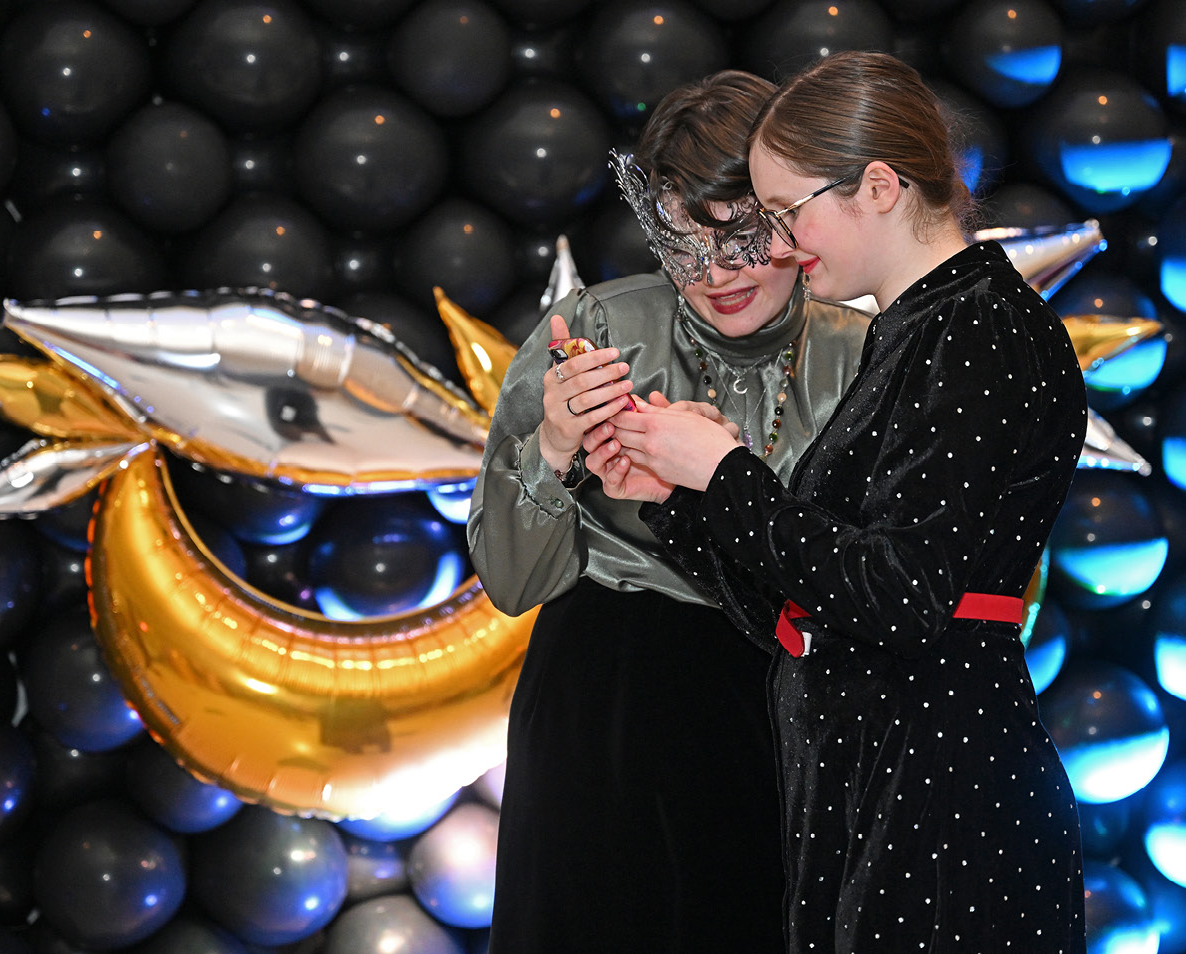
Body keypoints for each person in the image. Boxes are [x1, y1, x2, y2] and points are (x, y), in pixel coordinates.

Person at [588, 51, 1089, 953]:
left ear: (880, 186)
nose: (776, 244)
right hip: (879, 782)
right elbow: (811, 611)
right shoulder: (923, 327)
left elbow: (897, 594)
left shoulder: (976, 327)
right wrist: (678, 498)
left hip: (940, 800)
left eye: (786, 213)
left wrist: (727, 473)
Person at [466, 69, 872, 954]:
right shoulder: (594, 333)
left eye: (743, 237)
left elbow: (889, 584)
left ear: (794, 216)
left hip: (790, 702)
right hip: (605, 703)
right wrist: (554, 451)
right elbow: (507, 581)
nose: (716, 274)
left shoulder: (865, 356)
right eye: (683, 242)